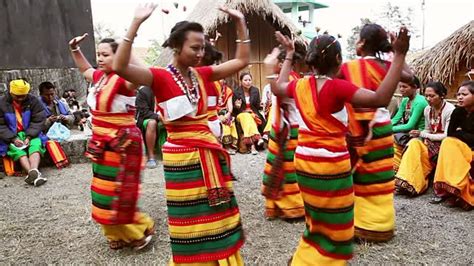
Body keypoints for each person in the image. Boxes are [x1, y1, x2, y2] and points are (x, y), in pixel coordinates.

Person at [113, 4, 249, 265]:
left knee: (217, 213)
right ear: (177, 46)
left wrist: (241, 23)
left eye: (203, 47)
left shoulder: (201, 75)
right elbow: (120, 67)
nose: (201, 53)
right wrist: (136, 23)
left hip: (207, 152)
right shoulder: (160, 77)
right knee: (190, 220)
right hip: (182, 161)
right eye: (194, 48)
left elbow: (242, 61)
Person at [264, 28, 409, 264]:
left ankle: (305, 258)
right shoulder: (337, 88)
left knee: (315, 219)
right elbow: (380, 99)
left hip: (303, 162)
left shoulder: (300, 85)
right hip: (330, 165)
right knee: (337, 227)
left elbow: (277, 88)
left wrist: (289, 53)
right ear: (339, 61)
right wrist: (400, 55)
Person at [68, 34, 155, 249]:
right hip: (101, 143)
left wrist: (129, 43)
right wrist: (75, 50)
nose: (100, 58)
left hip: (123, 144)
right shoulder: (100, 78)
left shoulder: (125, 80)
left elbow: (147, 76)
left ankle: (136, 231)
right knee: (102, 190)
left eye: (105, 54)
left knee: (119, 192)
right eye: (98, 54)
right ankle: (115, 234)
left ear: (119, 57)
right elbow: (85, 70)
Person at [339, 23, 414, 242]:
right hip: (381, 129)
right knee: (379, 178)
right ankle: (380, 226)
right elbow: (411, 77)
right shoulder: (389, 66)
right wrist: (397, 52)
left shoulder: (346, 68)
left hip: (355, 129)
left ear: (361, 43)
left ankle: (358, 225)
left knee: (357, 178)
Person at [261, 47, 304, 220]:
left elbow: (279, 91)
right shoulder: (284, 79)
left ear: (288, 63)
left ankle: (292, 208)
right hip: (280, 129)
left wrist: (269, 70)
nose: (277, 64)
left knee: (288, 169)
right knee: (278, 167)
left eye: (280, 61)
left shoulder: (293, 80)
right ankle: (278, 206)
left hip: (291, 130)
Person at [395, 82, 455, 196]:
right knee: (414, 143)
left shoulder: (449, 110)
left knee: (418, 145)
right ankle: (409, 182)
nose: (428, 99)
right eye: (426, 95)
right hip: (431, 142)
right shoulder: (428, 109)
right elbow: (427, 129)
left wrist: (422, 134)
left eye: (432, 96)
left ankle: (413, 182)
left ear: (442, 95)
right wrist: (419, 134)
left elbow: (447, 135)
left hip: (445, 144)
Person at [431, 80, 474, 211]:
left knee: (450, 144)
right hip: (459, 147)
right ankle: (451, 189)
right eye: (458, 94)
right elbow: (450, 134)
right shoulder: (457, 112)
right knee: (448, 143)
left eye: (464, 94)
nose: (460, 97)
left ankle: (461, 193)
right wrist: (464, 134)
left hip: (470, 149)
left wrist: (461, 133)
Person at [0, 79, 47, 186]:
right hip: (10, 134)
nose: (20, 98)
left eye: (23, 96)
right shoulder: (1, 103)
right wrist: (13, 138)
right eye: (17, 96)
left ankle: (33, 171)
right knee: (18, 151)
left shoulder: (33, 101)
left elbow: (38, 120)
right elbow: (1, 126)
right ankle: (34, 173)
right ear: (11, 93)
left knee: (35, 145)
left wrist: (29, 136)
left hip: (30, 132)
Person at [391, 77, 428, 170]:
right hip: (407, 133)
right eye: (400, 87)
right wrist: (384, 126)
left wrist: (388, 129)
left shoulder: (420, 102)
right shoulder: (405, 101)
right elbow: (396, 118)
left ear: (415, 87)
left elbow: (410, 125)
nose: (401, 89)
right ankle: (396, 167)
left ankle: (401, 169)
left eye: (404, 87)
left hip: (418, 134)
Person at [38, 81, 72, 168]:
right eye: (47, 95)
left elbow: (72, 117)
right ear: (41, 94)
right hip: (45, 133)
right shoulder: (37, 107)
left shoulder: (61, 103)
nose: (50, 97)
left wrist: (66, 118)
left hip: (61, 131)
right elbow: (34, 124)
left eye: (52, 94)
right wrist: (48, 121)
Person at [232, 72, 265, 155]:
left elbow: (257, 106)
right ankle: (257, 137)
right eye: (245, 80)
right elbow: (234, 110)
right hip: (241, 114)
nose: (248, 82)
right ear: (241, 81)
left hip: (252, 113)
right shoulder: (236, 92)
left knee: (250, 117)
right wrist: (237, 106)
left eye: (249, 80)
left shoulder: (255, 90)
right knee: (246, 116)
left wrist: (262, 105)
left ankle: (252, 146)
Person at [135, 86, 167, 169]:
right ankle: (151, 156)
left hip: (164, 117)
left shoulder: (167, 89)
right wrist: (159, 117)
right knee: (152, 123)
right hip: (146, 119)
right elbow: (144, 112)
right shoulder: (143, 91)